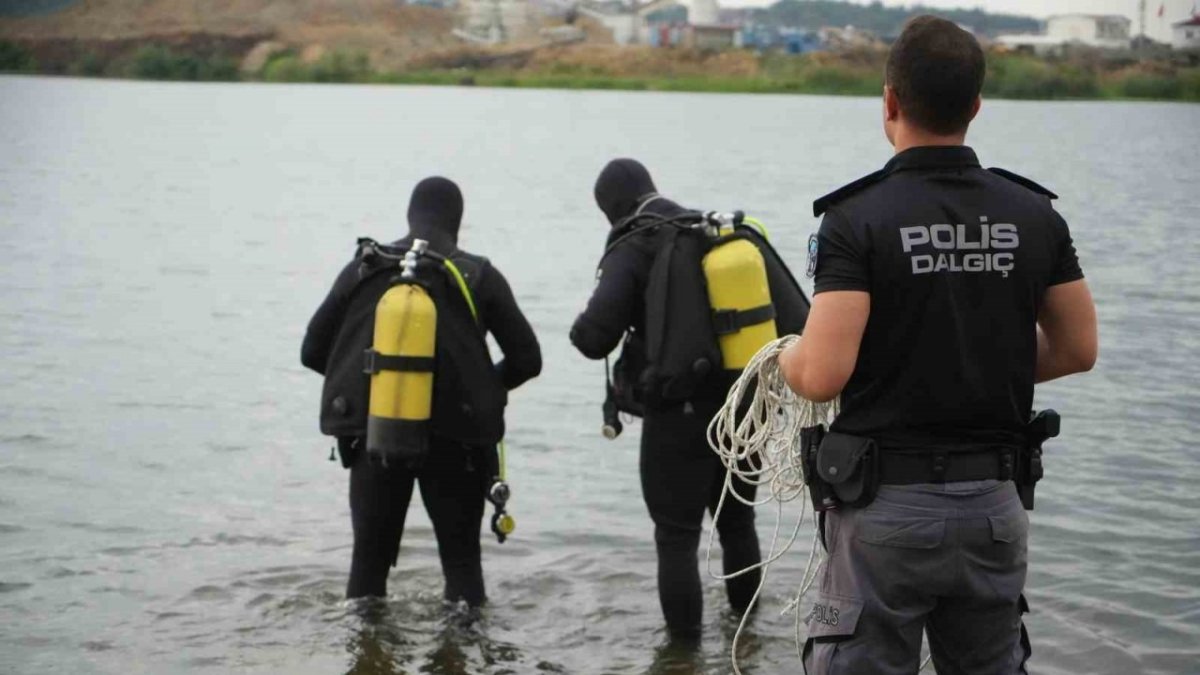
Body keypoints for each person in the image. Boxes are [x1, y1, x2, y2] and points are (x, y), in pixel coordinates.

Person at [779, 15, 1098, 675]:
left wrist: (784, 353)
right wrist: (983, 361)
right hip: (994, 507)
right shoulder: (1035, 214)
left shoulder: (855, 219)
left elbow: (821, 374)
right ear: (976, 106)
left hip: (885, 515)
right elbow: (1077, 348)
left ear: (890, 103)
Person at [571, 158, 810, 640]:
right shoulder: (716, 232)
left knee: (677, 539)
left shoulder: (633, 242)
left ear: (612, 209)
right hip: (745, 406)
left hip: (677, 415)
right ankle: (746, 639)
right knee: (737, 523)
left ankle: (682, 657)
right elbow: (799, 320)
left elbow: (594, 337)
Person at [301, 176, 542, 604]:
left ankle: (367, 658)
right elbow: (528, 360)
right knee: (463, 569)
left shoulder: (365, 266)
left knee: (367, 571)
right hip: (459, 444)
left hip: (380, 433)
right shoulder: (479, 276)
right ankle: (463, 657)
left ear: (410, 216)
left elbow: (312, 351)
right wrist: (483, 388)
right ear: (457, 222)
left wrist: (375, 388)